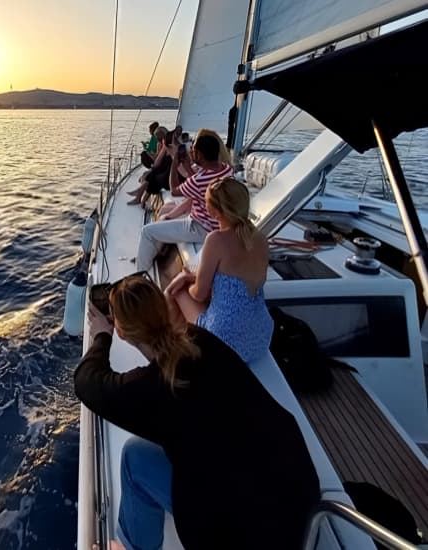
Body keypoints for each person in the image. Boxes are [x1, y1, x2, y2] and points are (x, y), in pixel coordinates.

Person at [74, 274, 320, 550]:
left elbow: (87, 382)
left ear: (121, 330)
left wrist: (100, 338)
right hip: (302, 502)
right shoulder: (201, 341)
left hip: (248, 536)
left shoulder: (151, 390)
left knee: (134, 458)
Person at [166, 176, 274, 363]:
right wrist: (197, 277)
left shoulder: (215, 240)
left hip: (224, 341)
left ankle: (179, 351)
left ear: (215, 211)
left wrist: (186, 280)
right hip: (260, 337)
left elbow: (199, 295)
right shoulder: (261, 239)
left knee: (175, 290)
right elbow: (236, 279)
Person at [135, 132, 233, 271]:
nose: (191, 153)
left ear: (200, 155)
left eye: (193, 151)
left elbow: (174, 190)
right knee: (164, 217)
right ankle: (150, 255)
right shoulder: (226, 169)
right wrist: (187, 166)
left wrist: (175, 163)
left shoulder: (199, 180)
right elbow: (201, 188)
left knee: (147, 232)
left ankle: (141, 275)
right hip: (216, 224)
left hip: (200, 227)